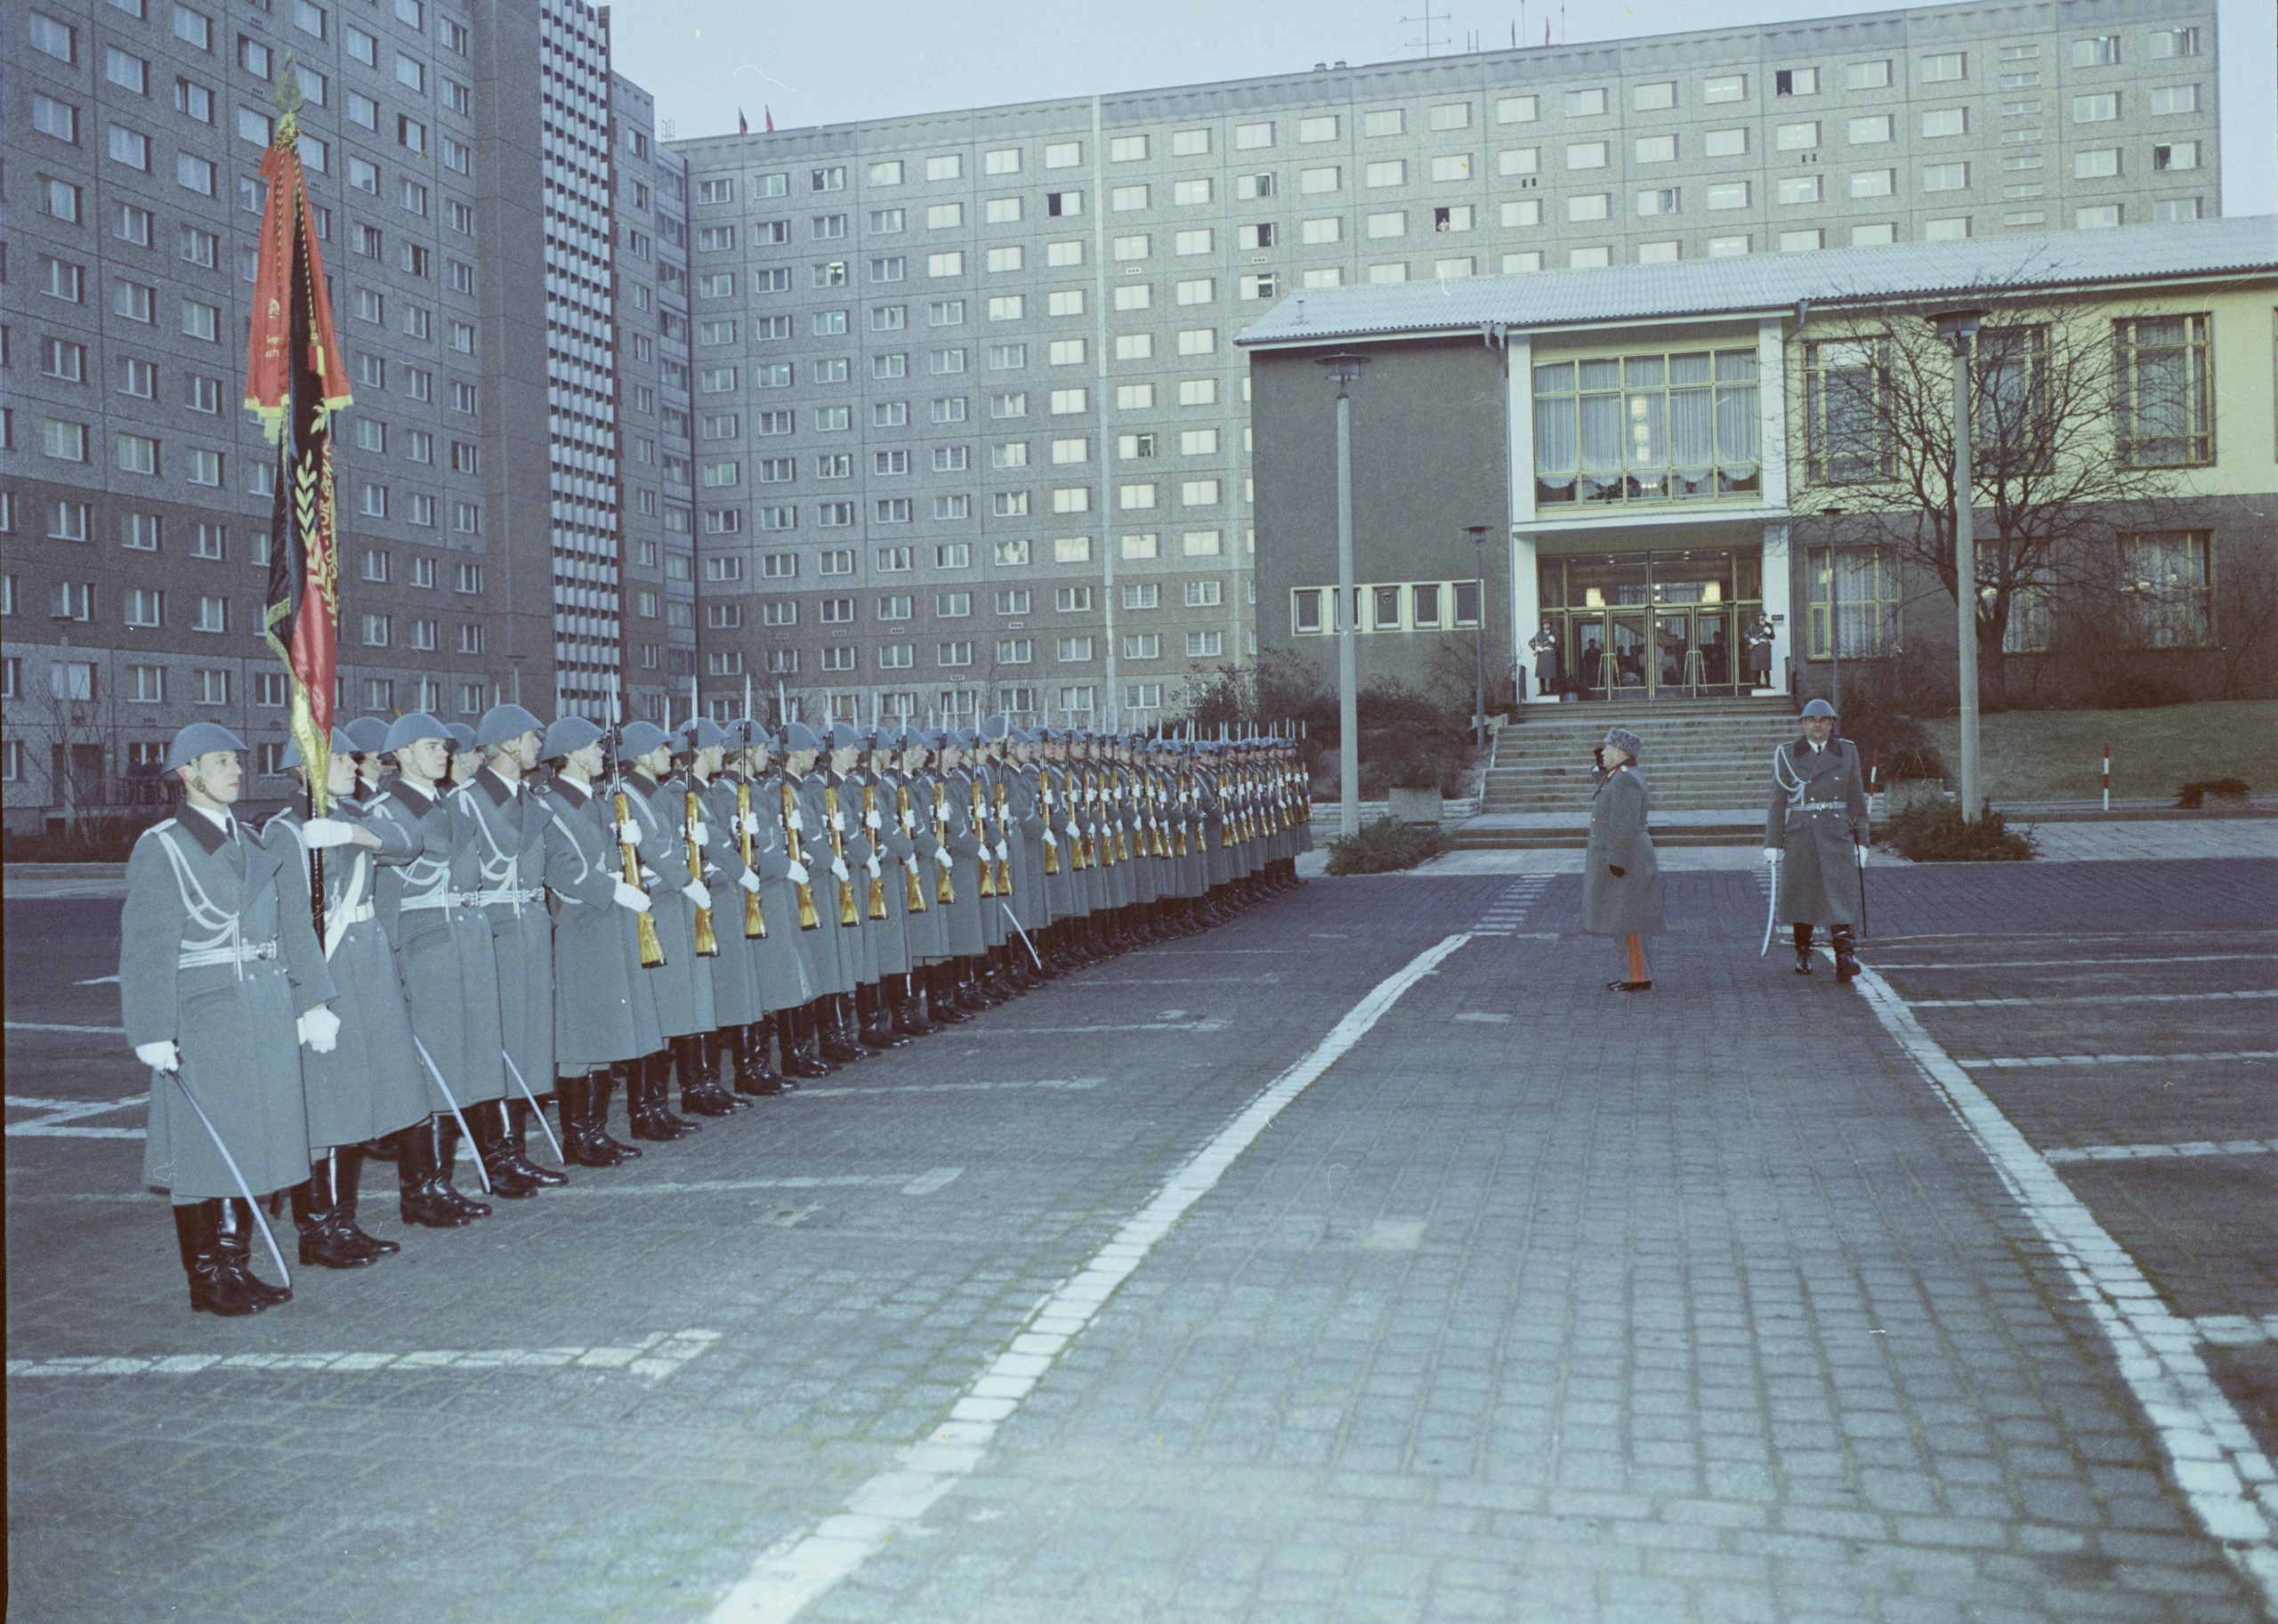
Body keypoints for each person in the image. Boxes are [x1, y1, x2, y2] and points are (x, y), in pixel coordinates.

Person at [122, 723, 337, 1314]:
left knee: (252, 1142)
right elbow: (147, 946)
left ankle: (235, 1263)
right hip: (207, 1014)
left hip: (263, 1009)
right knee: (204, 1149)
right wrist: (150, 1029)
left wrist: (313, 999)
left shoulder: (251, 839)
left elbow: (294, 924)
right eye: (221, 762)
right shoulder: (163, 845)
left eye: (237, 761)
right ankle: (208, 1276)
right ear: (187, 772)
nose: (236, 771)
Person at [263, 726, 429, 1266]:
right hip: (328, 974)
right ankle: (319, 1231)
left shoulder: (356, 817)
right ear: (307, 766)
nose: (354, 766)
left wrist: (353, 836)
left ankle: (344, 1222)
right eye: (340, 759)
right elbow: (291, 924)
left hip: (369, 970)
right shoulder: (286, 831)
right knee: (330, 1103)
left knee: (359, 1097)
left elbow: (409, 843)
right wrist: (312, 1001)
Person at [1766, 697, 1870, 981]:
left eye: (1824, 721)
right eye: (1812, 721)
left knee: (1840, 893)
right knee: (1804, 893)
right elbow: (1778, 802)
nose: (1817, 726)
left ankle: (1845, 956)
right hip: (1802, 832)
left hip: (1836, 832)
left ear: (1832, 724)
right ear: (1802, 724)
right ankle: (1803, 952)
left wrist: (1863, 840)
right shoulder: (1787, 754)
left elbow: (1855, 797)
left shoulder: (1847, 752)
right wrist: (1773, 843)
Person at [1580, 726, 1663, 991]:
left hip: (1627, 856)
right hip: (1625, 855)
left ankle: (1637, 976)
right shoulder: (1619, 775)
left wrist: (1617, 859)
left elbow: (1624, 824)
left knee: (1629, 919)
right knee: (1621, 916)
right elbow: (1603, 783)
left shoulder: (1625, 778)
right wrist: (1601, 765)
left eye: (1606, 749)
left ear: (1619, 753)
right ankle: (1631, 973)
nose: (1602, 753)